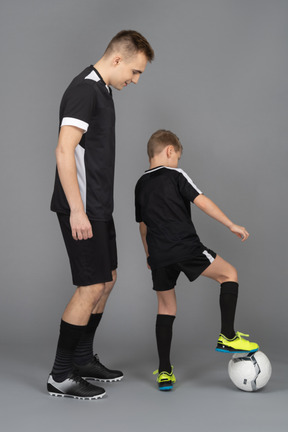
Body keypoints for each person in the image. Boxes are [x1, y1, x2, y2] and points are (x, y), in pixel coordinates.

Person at [48, 30, 154, 400]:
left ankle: (82, 358)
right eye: (135, 71)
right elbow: (64, 151)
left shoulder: (104, 91)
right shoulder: (84, 90)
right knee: (90, 286)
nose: (135, 80)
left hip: (98, 208)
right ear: (117, 59)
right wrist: (77, 210)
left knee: (106, 280)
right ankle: (60, 375)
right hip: (81, 209)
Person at [135, 129, 259, 391]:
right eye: (177, 157)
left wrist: (149, 254)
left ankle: (165, 372)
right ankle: (227, 335)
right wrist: (230, 224)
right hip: (185, 248)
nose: (178, 162)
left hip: (158, 255)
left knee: (166, 308)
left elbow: (143, 226)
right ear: (170, 151)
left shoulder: (140, 184)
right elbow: (201, 201)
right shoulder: (175, 174)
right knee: (229, 274)